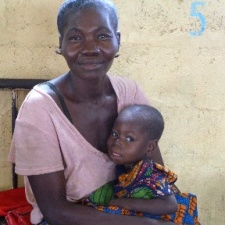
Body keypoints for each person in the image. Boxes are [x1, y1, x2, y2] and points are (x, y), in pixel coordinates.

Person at [8, 0, 175, 225]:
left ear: (118, 41)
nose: (90, 49)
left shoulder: (129, 93)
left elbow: (155, 174)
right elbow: (56, 212)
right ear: (61, 44)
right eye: (76, 37)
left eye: (102, 36)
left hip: (127, 210)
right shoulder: (40, 108)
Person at [82, 104, 200, 225]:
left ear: (149, 147)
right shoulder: (126, 167)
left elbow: (170, 205)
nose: (117, 142)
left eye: (129, 139)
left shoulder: (151, 175)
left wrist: (123, 203)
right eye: (115, 134)